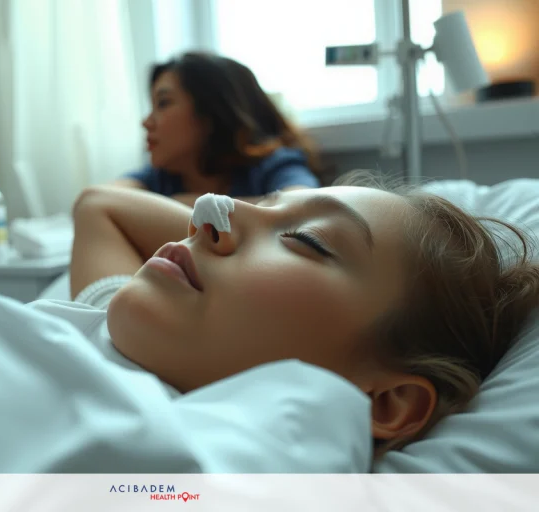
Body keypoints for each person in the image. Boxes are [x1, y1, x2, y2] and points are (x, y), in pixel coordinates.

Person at [71, 170, 539, 454]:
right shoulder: (113, 321)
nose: (211, 210)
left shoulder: (255, 466)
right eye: (258, 204)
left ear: (384, 401)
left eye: (308, 241)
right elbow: (100, 205)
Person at [113, 52, 323, 207]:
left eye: (163, 103)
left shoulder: (272, 166)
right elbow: (98, 200)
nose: (146, 122)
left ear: (211, 112)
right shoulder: (159, 177)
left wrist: (188, 204)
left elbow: (301, 206)